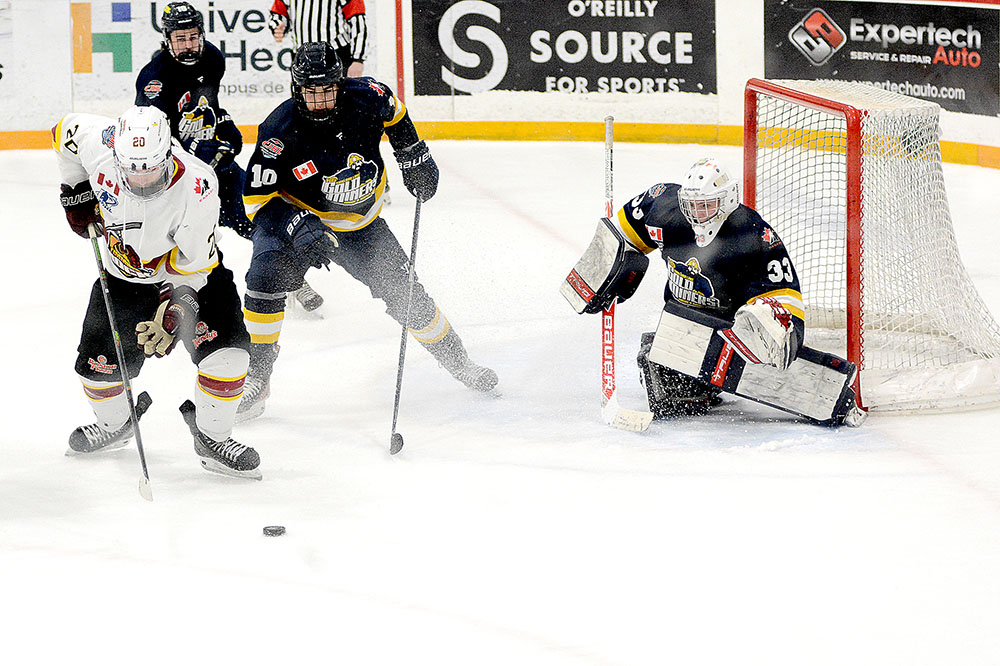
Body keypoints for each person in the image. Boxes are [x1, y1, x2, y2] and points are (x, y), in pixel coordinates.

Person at [237, 42, 497, 420]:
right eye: (311, 92)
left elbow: (397, 114)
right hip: (300, 222)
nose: (320, 101)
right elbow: (256, 203)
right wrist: (298, 224)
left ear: (341, 85)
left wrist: (412, 152)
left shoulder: (369, 96)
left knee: (407, 294)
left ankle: (460, 362)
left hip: (361, 226)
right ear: (296, 89)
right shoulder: (278, 132)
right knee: (265, 277)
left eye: (328, 90)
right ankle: (257, 377)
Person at [560, 158, 864, 426]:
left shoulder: (751, 233)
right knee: (663, 387)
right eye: (692, 205)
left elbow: (785, 294)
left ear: (728, 199)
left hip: (731, 331)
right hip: (682, 324)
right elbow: (621, 232)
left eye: (707, 205)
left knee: (764, 321)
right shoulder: (662, 207)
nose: (698, 214)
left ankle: (735, 358)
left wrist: (778, 327)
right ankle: (703, 383)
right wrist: (606, 265)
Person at [53, 105, 263, 478]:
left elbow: (194, 267)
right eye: (132, 171)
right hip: (123, 278)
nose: (142, 180)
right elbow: (62, 132)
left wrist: (174, 314)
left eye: (150, 169)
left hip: (193, 275)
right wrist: (75, 188)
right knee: (98, 369)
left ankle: (213, 438)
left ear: (167, 153)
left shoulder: (197, 187)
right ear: (117, 155)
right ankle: (115, 424)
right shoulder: (100, 143)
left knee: (228, 356)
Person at [137, 1, 325, 311]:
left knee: (260, 218)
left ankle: (289, 279)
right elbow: (150, 141)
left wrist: (223, 127)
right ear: (167, 39)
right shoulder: (154, 80)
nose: (188, 45)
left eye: (193, 37)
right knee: (186, 243)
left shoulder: (212, 58)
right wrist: (192, 154)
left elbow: (208, 107)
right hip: (177, 181)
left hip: (217, 169)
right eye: (180, 39)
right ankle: (164, 295)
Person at [268, 0, 369, 77]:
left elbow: (358, 20)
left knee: (338, 96)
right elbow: (278, 13)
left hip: (335, 53)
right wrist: (278, 26)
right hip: (302, 55)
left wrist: (358, 59)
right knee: (302, 97)